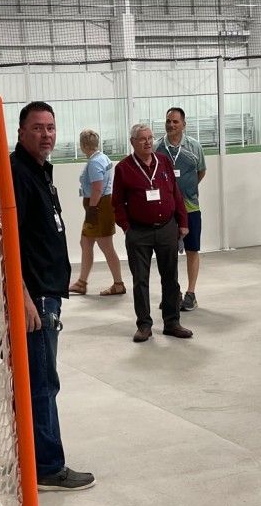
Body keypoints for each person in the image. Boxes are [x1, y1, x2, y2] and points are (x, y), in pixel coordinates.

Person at [9, 101, 95, 491]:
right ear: (21, 131)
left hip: (46, 294)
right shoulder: (17, 175)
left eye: (51, 128)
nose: (46, 134)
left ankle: (33, 457)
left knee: (38, 380)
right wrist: (24, 297)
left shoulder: (40, 172)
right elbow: (4, 243)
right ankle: (47, 466)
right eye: (38, 127)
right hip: (36, 298)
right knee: (42, 382)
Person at [112, 123, 192, 343]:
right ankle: (144, 325)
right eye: (142, 139)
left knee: (171, 278)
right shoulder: (124, 168)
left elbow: (176, 194)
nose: (147, 142)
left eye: (150, 138)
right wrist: (127, 227)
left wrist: (182, 222)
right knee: (141, 280)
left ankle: (172, 322)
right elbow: (117, 203)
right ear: (132, 143)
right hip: (139, 232)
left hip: (167, 228)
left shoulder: (163, 161)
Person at [155, 107, 207, 311]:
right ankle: (172, 293)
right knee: (168, 252)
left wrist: (187, 190)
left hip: (191, 207)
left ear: (183, 124)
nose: (171, 125)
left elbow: (201, 172)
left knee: (192, 249)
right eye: (168, 121)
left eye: (175, 121)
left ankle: (191, 293)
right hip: (167, 210)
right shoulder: (158, 147)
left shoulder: (194, 147)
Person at [69, 129, 125, 297]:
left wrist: (92, 210)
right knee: (86, 243)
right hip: (100, 204)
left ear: (83, 145)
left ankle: (118, 283)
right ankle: (81, 282)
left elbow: (97, 188)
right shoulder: (102, 158)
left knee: (106, 246)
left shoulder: (94, 163)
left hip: (99, 206)